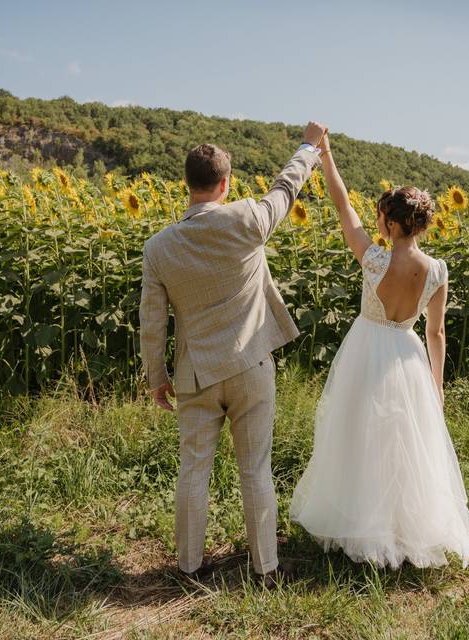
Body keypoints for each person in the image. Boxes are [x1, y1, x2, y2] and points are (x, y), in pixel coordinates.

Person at [139, 121, 328, 585]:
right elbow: (287, 187)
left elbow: (152, 322)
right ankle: (265, 568)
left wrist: (156, 377)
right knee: (255, 469)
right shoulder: (248, 219)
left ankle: (189, 568)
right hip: (251, 365)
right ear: (226, 183)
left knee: (193, 471)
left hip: (196, 374)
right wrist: (307, 146)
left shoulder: (158, 247)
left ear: (188, 184)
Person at [289, 132, 469, 570]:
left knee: (358, 436)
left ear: (391, 224)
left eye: (380, 220)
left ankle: (363, 522)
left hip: (366, 349)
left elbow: (340, 205)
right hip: (408, 355)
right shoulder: (438, 271)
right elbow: (437, 332)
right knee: (407, 445)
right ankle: (402, 526)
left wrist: (326, 153)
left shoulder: (374, 259)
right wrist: (437, 385)